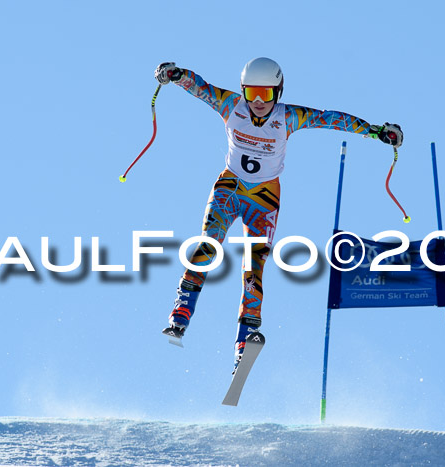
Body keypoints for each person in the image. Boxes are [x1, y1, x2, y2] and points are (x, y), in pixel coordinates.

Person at [155, 58, 402, 373]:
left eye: (267, 95)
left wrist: (375, 131)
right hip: (229, 190)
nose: (259, 102)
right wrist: (175, 75)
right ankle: (180, 317)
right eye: (253, 93)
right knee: (207, 247)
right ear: (243, 90)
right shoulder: (231, 105)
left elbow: (330, 119)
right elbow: (200, 88)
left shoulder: (289, 117)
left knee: (253, 268)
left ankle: (244, 342)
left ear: (278, 92)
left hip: (264, 199)